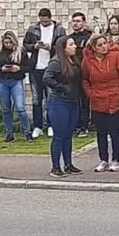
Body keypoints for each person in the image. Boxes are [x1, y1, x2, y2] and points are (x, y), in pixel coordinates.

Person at [82, 34, 119, 173]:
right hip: (98, 99)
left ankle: (116, 159)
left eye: (105, 43)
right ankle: (103, 159)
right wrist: (90, 93)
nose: (104, 47)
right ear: (93, 48)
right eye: (100, 45)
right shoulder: (87, 61)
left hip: (115, 99)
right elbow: (85, 79)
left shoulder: (115, 56)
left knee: (115, 132)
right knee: (101, 132)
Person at [24, 8, 66, 139]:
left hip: (51, 67)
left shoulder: (59, 29)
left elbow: (63, 46)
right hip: (36, 67)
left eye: (46, 21)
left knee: (50, 98)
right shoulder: (33, 29)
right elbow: (25, 44)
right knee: (36, 98)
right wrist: (34, 47)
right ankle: (37, 126)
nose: (44, 22)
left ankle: (51, 125)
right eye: (42, 20)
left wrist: (50, 48)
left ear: (50, 18)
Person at [43, 36, 82, 177]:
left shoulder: (73, 61)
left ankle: (68, 164)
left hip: (72, 102)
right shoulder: (56, 61)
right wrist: (60, 87)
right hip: (59, 103)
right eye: (71, 44)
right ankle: (55, 166)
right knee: (59, 135)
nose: (75, 46)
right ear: (63, 48)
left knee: (68, 135)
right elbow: (47, 78)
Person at [0, 31, 33, 142]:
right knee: (6, 109)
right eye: (6, 42)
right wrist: (1, 69)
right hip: (2, 81)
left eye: (10, 43)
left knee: (20, 107)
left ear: (14, 42)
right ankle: (9, 133)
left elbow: (28, 67)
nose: (8, 45)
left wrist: (19, 68)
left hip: (16, 81)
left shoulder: (21, 52)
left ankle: (27, 132)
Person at [68, 12, 93, 138]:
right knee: (74, 99)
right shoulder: (69, 38)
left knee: (85, 100)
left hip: (86, 73)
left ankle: (84, 125)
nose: (75, 23)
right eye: (73, 21)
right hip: (73, 73)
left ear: (84, 22)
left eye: (78, 21)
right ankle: (75, 124)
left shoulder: (90, 37)